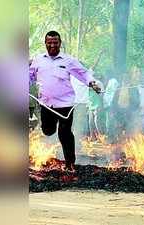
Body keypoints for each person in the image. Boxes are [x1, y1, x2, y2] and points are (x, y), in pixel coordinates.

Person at [29, 31, 101, 172]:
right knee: (48, 131)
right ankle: (51, 129)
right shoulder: (38, 60)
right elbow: (29, 76)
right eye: (49, 42)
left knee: (65, 132)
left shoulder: (68, 60)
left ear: (60, 43)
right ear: (45, 43)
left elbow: (83, 73)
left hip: (65, 105)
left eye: (55, 42)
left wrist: (92, 83)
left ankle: (70, 164)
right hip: (46, 104)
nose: (52, 45)